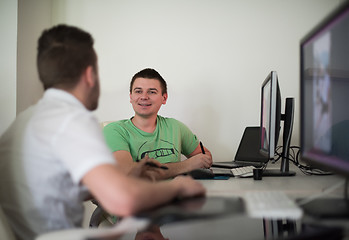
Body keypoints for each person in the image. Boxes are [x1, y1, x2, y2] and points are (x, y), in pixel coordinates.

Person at [0, 25, 205, 240]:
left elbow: (55, 190)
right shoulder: (72, 120)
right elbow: (123, 200)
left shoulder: (22, 122)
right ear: (90, 75)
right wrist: (178, 188)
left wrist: (125, 175)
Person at [103, 68, 213, 180]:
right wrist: (187, 165)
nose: (144, 97)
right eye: (138, 91)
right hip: (139, 197)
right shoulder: (114, 131)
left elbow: (205, 157)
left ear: (164, 98)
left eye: (152, 92)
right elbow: (128, 174)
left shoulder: (176, 127)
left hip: (177, 195)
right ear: (131, 97)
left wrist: (202, 160)